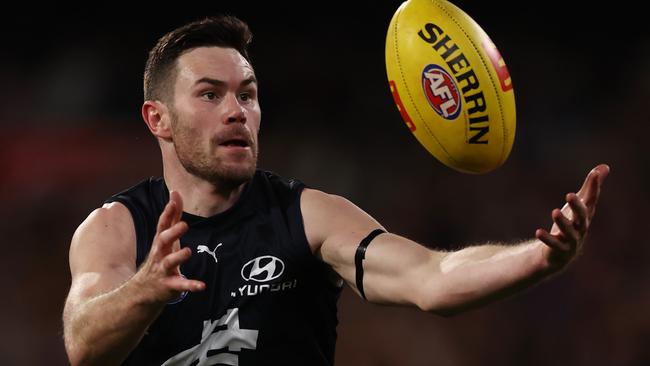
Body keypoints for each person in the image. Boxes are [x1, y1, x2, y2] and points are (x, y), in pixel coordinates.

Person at [61, 15, 610, 366]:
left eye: (247, 95)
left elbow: (431, 279)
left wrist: (539, 258)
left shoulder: (309, 216)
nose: (237, 111)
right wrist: (145, 289)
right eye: (210, 95)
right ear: (158, 119)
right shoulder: (117, 228)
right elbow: (83, 343)